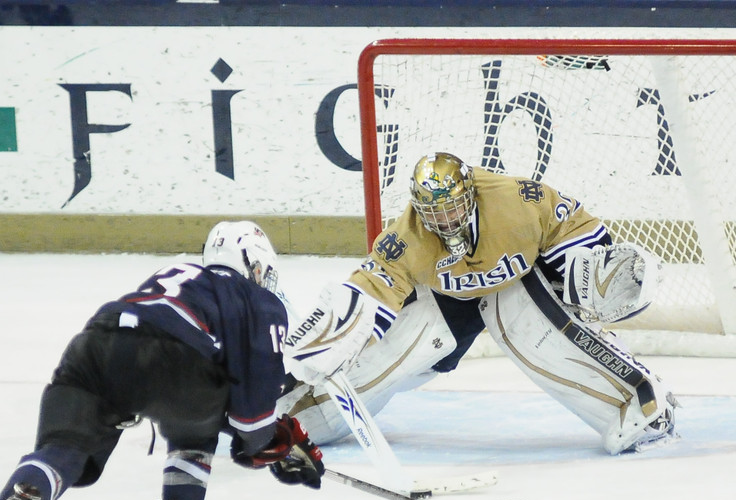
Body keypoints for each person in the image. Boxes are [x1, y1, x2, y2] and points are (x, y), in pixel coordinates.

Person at [0, 221, 325, 500]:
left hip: (95, 344)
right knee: (195, 432)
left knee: (66, 447)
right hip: (174, 358)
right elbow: (250, 418)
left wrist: (260, 436)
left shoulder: (178, 274)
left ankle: (26, 493)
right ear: (255, 266)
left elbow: (176, 371)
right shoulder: (258, 300)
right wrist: (271, 442)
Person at [280, 151, 676, 456]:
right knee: (392, 358)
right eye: (435, 212)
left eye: (452, 207)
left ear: (470, 194)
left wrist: (584, 271)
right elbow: (368, 292)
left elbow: (570, 224)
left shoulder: (516, 202)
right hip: (449, 302)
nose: (447, 220)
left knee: (527, 327)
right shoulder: (408, 237)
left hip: (520, 283)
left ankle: (640, 399)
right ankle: (291, 414)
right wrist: (325, 346)